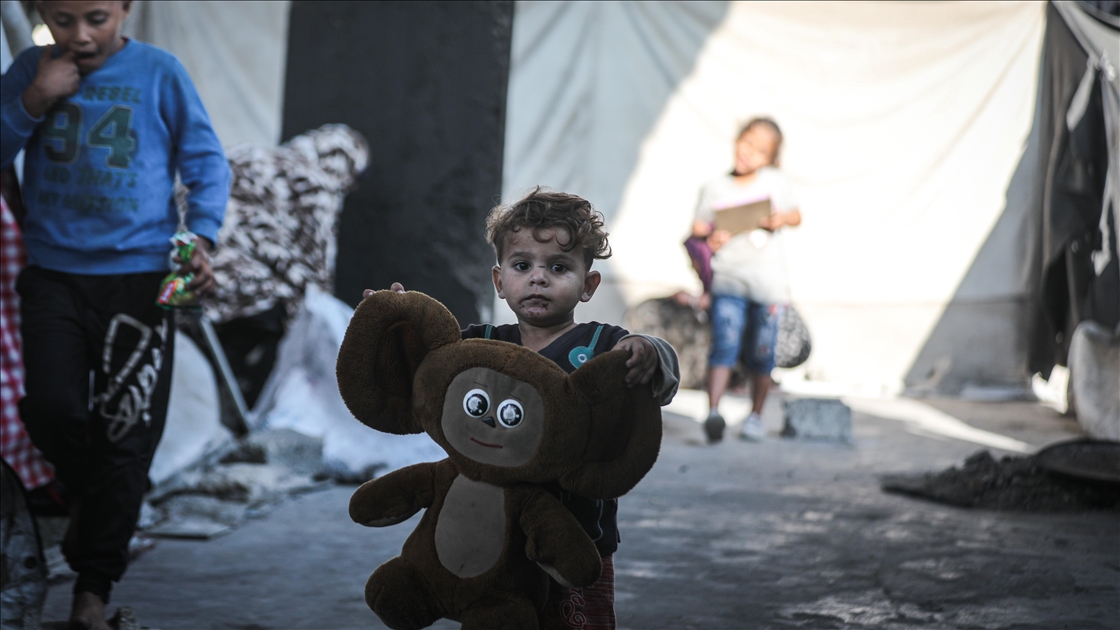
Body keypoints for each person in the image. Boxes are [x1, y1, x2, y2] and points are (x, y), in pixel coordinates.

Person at [0, 1, 229, 627]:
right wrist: (34, 101)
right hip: (54, 277)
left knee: (127, 433)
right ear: (42, 12)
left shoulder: (160, 72)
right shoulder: (30, 71)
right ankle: (97, 498)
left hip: (140, 281)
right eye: (63, 19)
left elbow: (206, 161)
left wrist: (201, 236)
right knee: (53, 409)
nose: (79, 35)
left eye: (97, 18)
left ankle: (91, 593)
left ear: (127, 8)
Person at [369, 187, 679, 630]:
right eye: (522, 265)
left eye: (558, 267)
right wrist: (394, 324)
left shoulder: (603, 345)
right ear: (499, 281)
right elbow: (428, 374)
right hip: (489, 540)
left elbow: (661, 383)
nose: (538, 278)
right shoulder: (480, 346)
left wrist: (648, 350)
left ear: (588, 285)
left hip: (573, 540)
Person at [691, 118, 801, 443]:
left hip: (767, 286)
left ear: (771, 158)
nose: (749, 152)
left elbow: (796, 215)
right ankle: (714, 412)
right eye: (747, 142)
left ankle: (755, 417)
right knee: (723, 345)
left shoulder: (775, 183)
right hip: (728, 281)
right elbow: (698, 226)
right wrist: (711, 234)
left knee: (762, 353)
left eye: (760, 150)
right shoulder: (715, 187)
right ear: (738, 139)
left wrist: (780, 218)